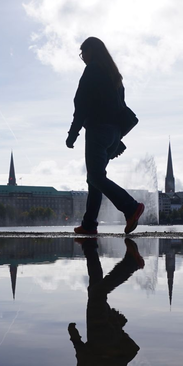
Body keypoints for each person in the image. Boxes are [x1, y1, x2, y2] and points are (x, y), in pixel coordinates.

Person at [66, 37, 144, 235]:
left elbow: (81, 104)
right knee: (95, 179)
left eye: (83, 52)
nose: (82, 57)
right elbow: (121, 109)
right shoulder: (115, 76)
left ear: (91, 50)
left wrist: (73, 134)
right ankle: (89, 223)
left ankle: (130, 207)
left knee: (95, 177)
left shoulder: (92, 70)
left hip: (98, 131)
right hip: (114, 134)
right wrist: (117, 139)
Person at [68, 238, 144, 366]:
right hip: (99, 336)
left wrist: (116, 326)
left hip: (105, 337)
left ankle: (90, 247)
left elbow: (112, 361)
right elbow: (84, 362)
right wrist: (75, 338)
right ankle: (130, 264)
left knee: (95, 288)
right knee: (97, 294)